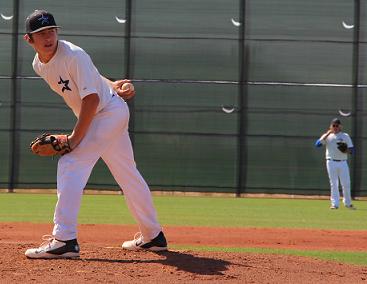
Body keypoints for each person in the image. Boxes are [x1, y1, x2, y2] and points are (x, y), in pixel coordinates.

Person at [23, 10, 167, 259]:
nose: (48, 37)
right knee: (128, 174)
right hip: (110, 110)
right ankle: (153, 236)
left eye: (51, 31)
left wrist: (74, 139)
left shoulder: (73, 55)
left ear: (58, 32)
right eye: (41, 33)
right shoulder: (38, 64)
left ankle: (64, 239)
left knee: (70, 162)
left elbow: (91, 98)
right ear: (29, 40)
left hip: (106, 113)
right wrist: (114, 85)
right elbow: (92, 77)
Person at [315, 118, 355, 210]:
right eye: (334, 125)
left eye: (337, 125)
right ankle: (335, 204)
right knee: (334, 183)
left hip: (343, 162)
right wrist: (327, 134)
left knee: (346, 183)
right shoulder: (327, 136)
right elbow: (317, 144)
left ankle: (348, 203)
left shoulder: (345, 136)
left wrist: (346, 150)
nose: (336, 127)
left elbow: (352, 150)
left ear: (340, 126)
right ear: (331, 126)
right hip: (331, 161)